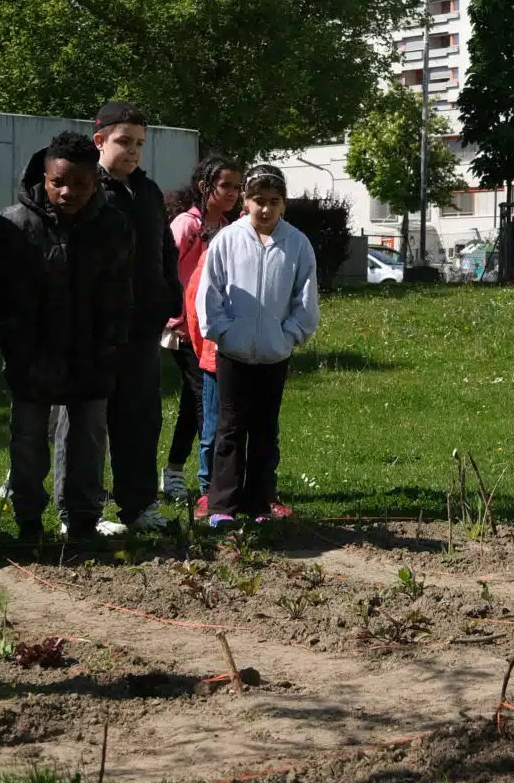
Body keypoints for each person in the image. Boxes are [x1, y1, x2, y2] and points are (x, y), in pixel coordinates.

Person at [0, 131, 132, 543]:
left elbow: (119, 295)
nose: (68, 192)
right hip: (33, 352)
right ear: (44, 176)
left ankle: (82, 520)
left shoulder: (113, 224)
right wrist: (19, 353)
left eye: (81, 184)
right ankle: (28, 523)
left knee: (87, 438)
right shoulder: (13, 224)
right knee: (29, 438)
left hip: (91, 352)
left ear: (96, 182)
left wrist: (110, 347)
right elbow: (7, 302)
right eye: (58, 182)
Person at [49, 102, 180, 539]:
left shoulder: (148, 192)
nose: (134, 151)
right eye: (125, 141)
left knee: (140, 418)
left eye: (141, 143)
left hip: (141, 329)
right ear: (99, 139)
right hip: (90, 331)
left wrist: (167, 297)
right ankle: (77, 512)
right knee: (85, 422)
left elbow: (165, 251)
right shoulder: (83, 187)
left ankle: (138, 505)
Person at [196, 165, 319, 528]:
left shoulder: (297, 244)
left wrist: (290, 334)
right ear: (245, 202)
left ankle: (261, 500)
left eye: (274, 202)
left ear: (283, 205)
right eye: (258, 201)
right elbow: (211, 292)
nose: (265, 209)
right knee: (230, 427)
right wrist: (223, 332)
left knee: (265, 428)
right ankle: (222, 504)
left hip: (274, 354)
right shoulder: (227, 240)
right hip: (233, 353)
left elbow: (305, 296)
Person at [163, 154, 242, 510]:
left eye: (238, 188)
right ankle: (206, 482)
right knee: (202, 400)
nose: (233, 193)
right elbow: (163, 269)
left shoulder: (229, 227)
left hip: (211, 331)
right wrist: (172, 316)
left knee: (193, 401)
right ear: (204, 187)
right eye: (225, 185)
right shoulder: (186, 225)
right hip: (182, 330)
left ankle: (175, 471)